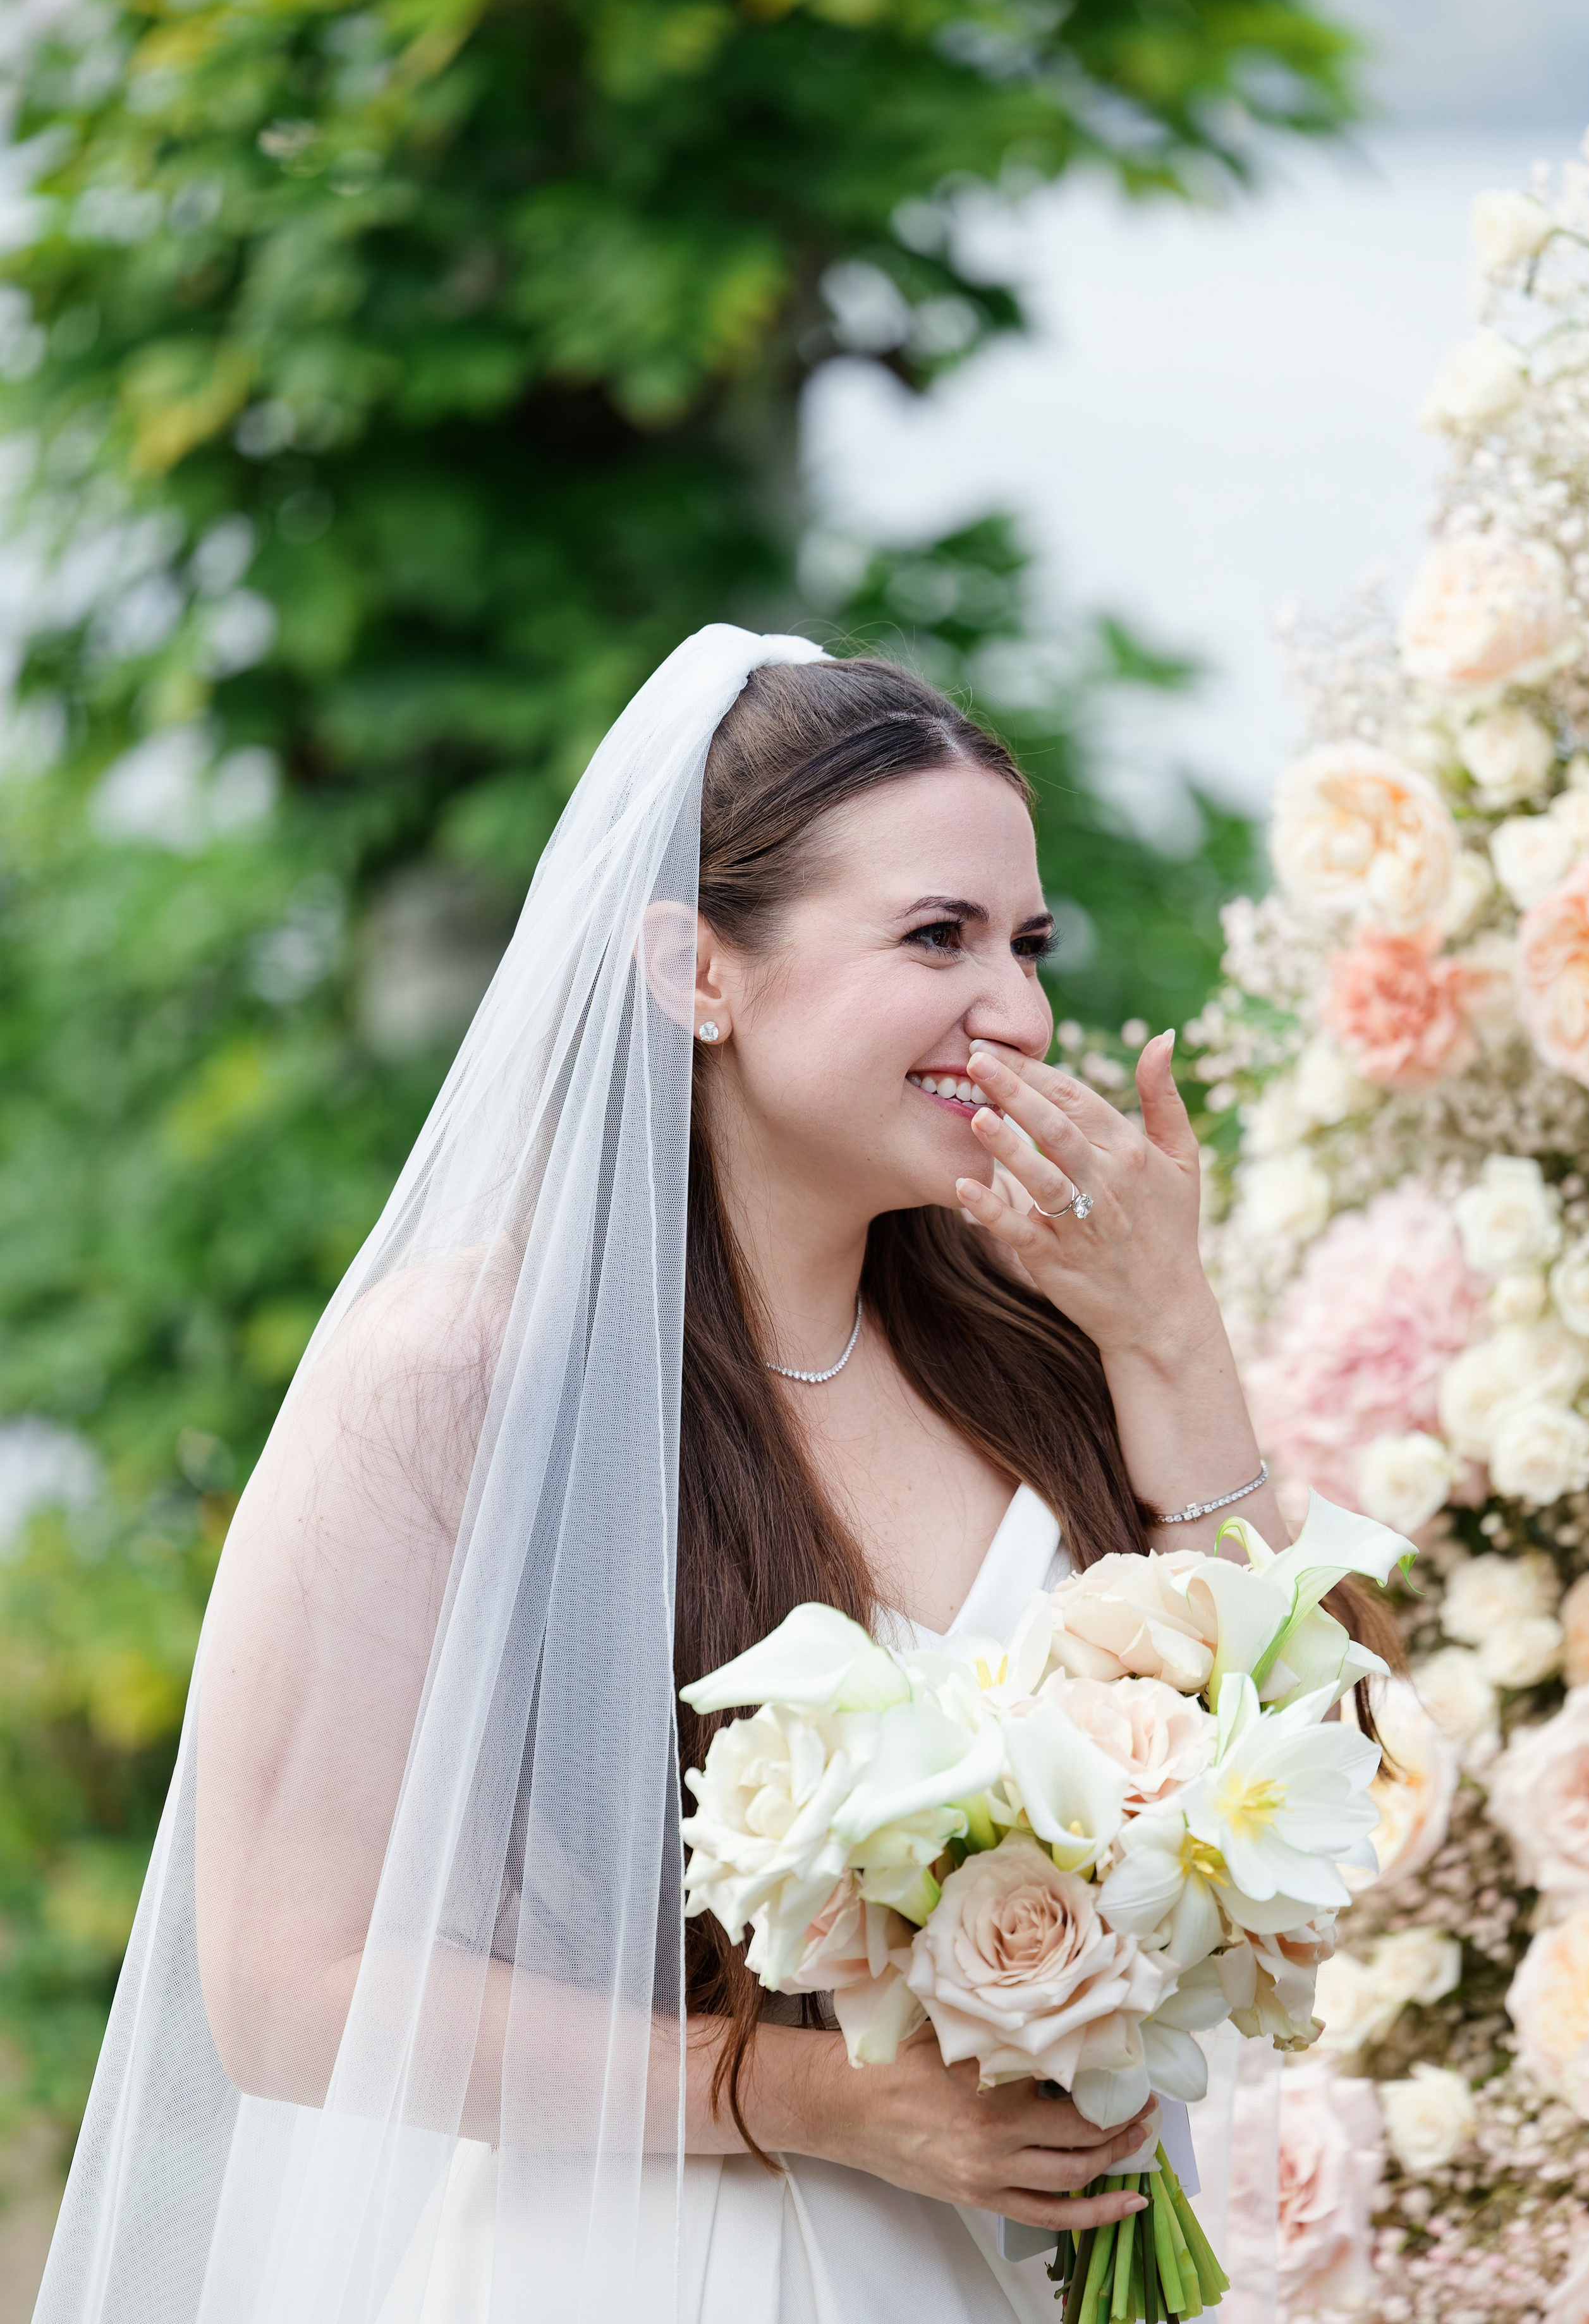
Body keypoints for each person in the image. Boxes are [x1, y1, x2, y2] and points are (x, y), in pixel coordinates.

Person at [32, 630, 1286, 2324]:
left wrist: (1176, 1339)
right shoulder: (455, 1376)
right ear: (698, 969)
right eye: (938, 936)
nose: (1018, 1009)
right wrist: (802, 2098)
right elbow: (281, 1989)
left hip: (1019, 2273)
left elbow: (1321, 1798)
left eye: (1027, 943)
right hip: (649, 2265)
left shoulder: (1046, 1354)